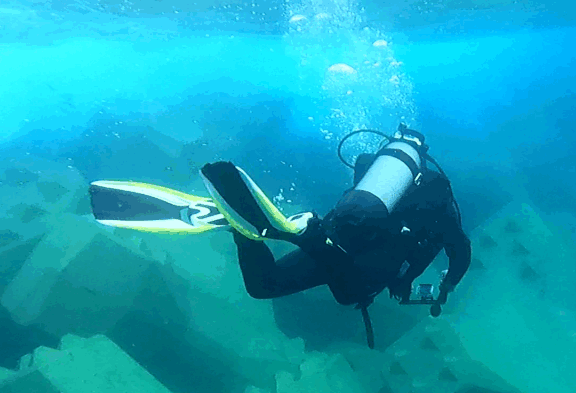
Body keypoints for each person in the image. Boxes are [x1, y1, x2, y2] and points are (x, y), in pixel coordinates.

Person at [199, 125, 472, 347]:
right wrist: (445, 287)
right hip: (364, 258)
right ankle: (306, 236)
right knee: (349, 293)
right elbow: (461, 252)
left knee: (263, 285)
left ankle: (241, 227)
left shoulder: (375, 167)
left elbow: (362, 174)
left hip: (337, 232)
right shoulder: (441, 195)